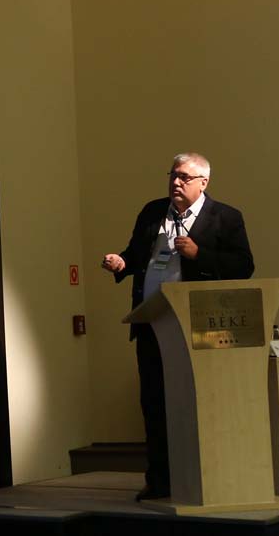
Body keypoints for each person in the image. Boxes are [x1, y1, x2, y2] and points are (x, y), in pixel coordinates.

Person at [100, 153, 254, 501]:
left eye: (184, 177)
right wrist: (122, 262)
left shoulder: (225, 217)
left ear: (204, 182)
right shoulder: (153, 211)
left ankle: (208, 477)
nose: (176, 182)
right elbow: (137, 253)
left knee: (200, 403)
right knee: (155, 403)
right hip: (152, 323)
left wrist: (199, 254)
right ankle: (160, 481)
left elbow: (244, 266)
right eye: (172, 175)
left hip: (200, 329)